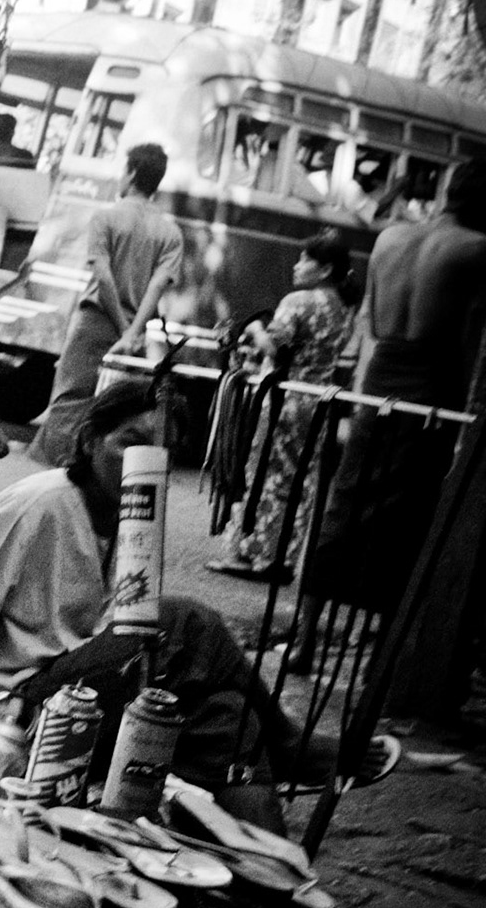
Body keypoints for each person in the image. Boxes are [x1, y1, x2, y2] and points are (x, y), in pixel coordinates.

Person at [0, 379, 393, 837]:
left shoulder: (134, 518)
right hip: (30, 704)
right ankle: (289, 742)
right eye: (130, 442)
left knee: (229, 717)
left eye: (161, 451)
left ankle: (277, 876)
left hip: (95, 687)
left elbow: (114, 644)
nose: (144, 460)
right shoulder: (38, 503)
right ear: (88, 441)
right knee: (181, 620)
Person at [302, 161, 486, 632]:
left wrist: (360, 394)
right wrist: (465, 424)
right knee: (407, 519)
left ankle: (305, 636)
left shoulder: (389, 238)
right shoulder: (477, 250)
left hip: (380, 379)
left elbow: (369, 322)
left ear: (447, 190)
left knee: (346, 502)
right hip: (432, 389)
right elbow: (471, 343)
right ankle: (382, 635)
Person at [206, 230, 357, 583]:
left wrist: (257, 329)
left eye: (306, 260)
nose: (297, 265)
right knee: (301, 482)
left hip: (284, 401)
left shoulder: (298, 301)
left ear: (325, 269)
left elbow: (274, 347)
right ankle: (283, 559)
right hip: (319, 403)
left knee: (267, 476)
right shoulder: (343, 308)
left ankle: (254, 554)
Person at [26, 144, 183, 468]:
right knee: (113, 411)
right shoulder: (170, 232)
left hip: (96, 321)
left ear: (132, 173)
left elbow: (104, 276)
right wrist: (133, 332)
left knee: (70, 401)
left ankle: (54, 481)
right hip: (136, 334)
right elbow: (156, 285)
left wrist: (123, 329)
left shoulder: (106, 217)